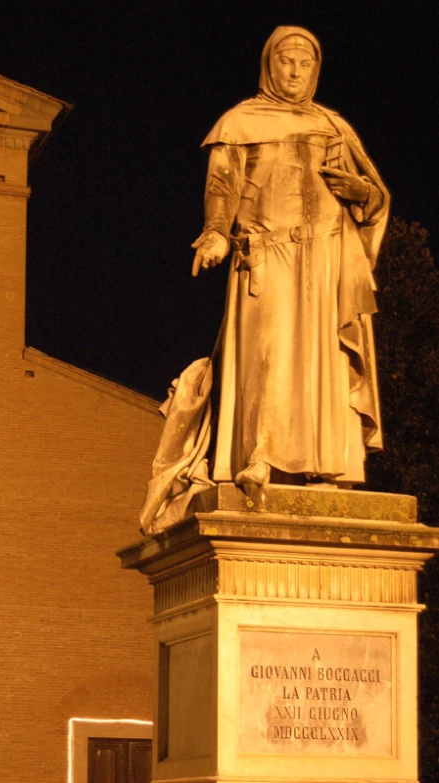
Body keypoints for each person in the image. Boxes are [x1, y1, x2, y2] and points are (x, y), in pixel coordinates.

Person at [140, 26, 389, 535]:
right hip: (268, 254)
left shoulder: (333, 126)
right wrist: (214, 233)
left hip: (325, 259)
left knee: (321, 361)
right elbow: (221, 186)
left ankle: (326, 466)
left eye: (305, 64)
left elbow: (376, 200)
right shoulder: (240, 121)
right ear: (268, 65)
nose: (295, 73)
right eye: (286, 62)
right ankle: (261, 456)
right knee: (268, 353)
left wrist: (360, 191)